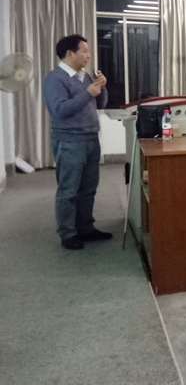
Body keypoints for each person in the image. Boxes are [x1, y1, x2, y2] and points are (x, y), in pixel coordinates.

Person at [43, 34, 110, 250]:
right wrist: (88, 93)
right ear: (70, 53)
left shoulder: (85, 76)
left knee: (88, 189)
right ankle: (68, 233)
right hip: (69, 141)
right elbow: (60, 110)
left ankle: (86, 228)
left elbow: (99, 104)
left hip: (91, 139)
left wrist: (101, 87)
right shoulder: (55, 79)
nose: (89, 56)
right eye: (84, 51)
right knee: (69, 190)